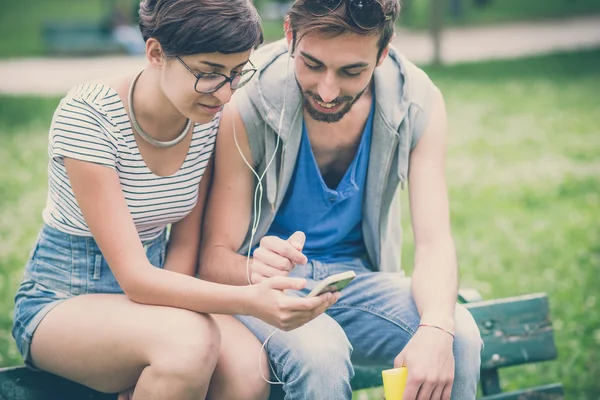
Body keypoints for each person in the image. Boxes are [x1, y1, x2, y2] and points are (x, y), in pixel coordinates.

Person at [11, 1, 338, 399]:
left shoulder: (206, 117)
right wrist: (251, 300)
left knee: (247, 372)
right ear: (155, 53)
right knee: (187, 344)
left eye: (236, 74)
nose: (224, 93)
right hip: (63, 301)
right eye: (208, 73)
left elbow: (183, 247)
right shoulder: (88, 117)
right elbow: (135, 278)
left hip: (155, 293)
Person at [199, 0, 483, 399]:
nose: (328, 91)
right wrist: (255, 269)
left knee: (458, 336)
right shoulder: (247, 101)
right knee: (321, 353)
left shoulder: (417, 103)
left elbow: (435, 242)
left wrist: (436, 328)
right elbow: (213, 260)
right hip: (268, 290)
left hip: (355, 282)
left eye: (352, 71)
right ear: (289, 35)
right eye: (312, 65)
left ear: (384, 52)